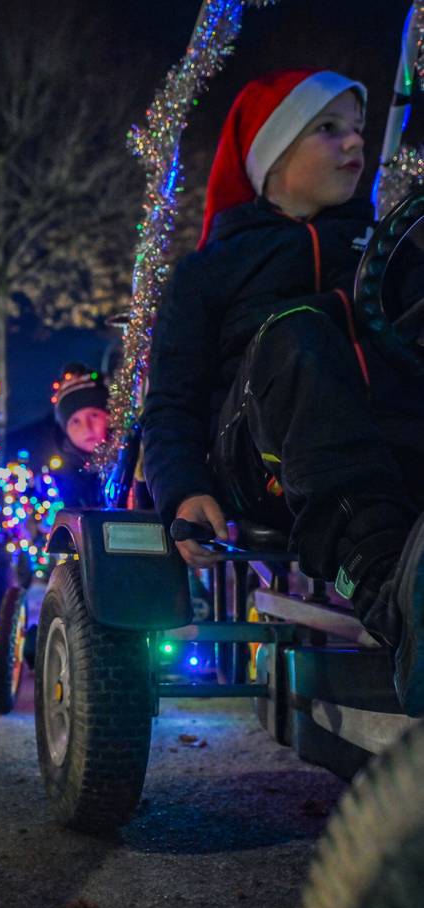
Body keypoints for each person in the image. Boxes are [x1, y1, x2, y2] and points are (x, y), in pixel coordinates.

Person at [141, 69, 424, 714]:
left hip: (391, 445)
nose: (354, 145)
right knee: (302, 332)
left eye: (356, 130)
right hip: (262, 457)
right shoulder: (211, 269)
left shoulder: (395, 251)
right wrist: (184, 489)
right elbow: (174, 401)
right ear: (272, 155)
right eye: (328, 130)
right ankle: (386, 590)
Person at [48, 364, 110, 508]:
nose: (86, 427)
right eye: (75, 421)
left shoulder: (129, 462)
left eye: (94, 415)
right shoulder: (64, 479)